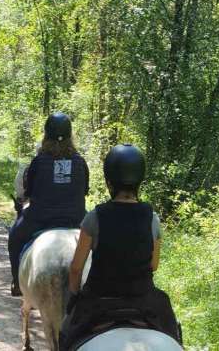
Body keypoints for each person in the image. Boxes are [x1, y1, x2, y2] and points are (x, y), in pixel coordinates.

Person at [59, 144, 181, 349]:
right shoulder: (151, 218)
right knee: (173, 330)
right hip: (144, 298)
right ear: (139, 182)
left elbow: (76, 268)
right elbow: (154, 265)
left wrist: (74, 296)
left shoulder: (94, 217)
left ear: (109, 182)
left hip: (99, 298)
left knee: (65, 333)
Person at [7, 112, 89, 296]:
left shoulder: (38, 161)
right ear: (70, 135)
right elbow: (84, 190)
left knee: (14, 236)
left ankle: (17, 282)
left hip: (40, 218)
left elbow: (29, 192)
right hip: (76, 218)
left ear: (46, 135)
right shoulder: (80, 161)